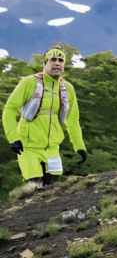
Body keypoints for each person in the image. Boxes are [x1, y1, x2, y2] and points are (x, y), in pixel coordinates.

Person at [3, 46, 88, 186]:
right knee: (33, 190)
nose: (57, 63)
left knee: (53, 191)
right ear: (45, 63)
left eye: (61, 60)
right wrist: (13, 138)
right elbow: (9, 110)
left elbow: (72, 120)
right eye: (53, 59)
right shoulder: (29, 82)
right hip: (28, 148)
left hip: (53, 150)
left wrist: (80, 147)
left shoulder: (68, 89)